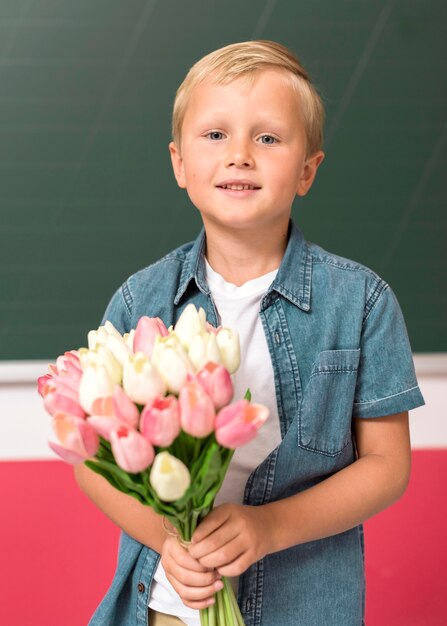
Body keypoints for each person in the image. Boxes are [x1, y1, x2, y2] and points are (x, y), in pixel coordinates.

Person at [74, 40, 425, 626]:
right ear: (179, 163)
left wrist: (270, 527)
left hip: (305, 606)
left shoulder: (362, 302)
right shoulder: (141, 302)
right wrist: (169, 540)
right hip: (169, 603)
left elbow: (387, 465)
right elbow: (92, 457)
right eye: (215, 135)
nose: (240, 155)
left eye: (268, 138)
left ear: (308, 170)